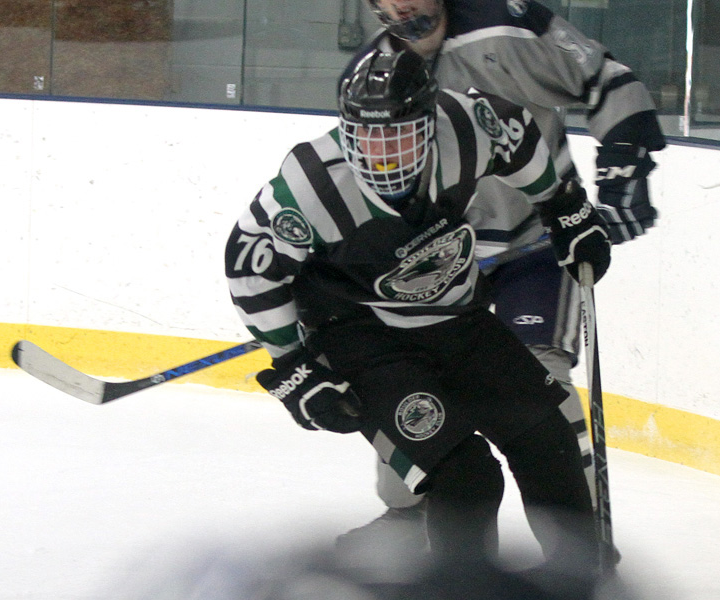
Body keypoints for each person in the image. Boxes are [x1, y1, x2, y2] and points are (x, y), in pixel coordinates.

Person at [225, 48, 610, 574]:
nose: (382, 154)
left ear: (429, 123)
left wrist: (562, 206)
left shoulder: (463, 126)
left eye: (398, 135)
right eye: (367, 136)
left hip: (456, 316)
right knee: (468, 479)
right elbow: (250, 268)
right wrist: (294, 367)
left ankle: (580, 577)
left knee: (549, 439)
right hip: (361, 340)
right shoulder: (311, 186)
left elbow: (514, 133)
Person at [336, 0, 666, 554]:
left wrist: (623, 160)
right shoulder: (371, 77)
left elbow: (605, 78)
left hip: (532, 245)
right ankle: (408, 513)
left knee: (545, 391)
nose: (403, 4)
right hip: (437, 264)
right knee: (414, 395)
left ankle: (578, 545)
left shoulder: (506, 25)